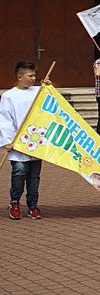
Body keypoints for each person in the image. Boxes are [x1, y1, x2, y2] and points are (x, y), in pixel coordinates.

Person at [1, 61, 44, 220]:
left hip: (36, 142)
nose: (33, 78)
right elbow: (4, 119)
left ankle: (33, 205)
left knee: (34, 176)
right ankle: (15, 202)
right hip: (18, 143)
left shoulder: (39, 92)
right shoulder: (9, 96)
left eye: (34, 75)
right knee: (19, 173)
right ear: (20, 77)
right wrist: (8, 140)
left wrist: (48, 86)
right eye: (30, 75)